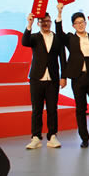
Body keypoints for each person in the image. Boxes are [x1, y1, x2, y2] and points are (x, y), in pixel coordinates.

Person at [55, 3, 89, 148]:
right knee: (80, 108)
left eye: (82, 22)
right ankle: (84, 138)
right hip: (77, 77)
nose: (80, 25)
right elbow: (59, 33)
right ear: (73, 25)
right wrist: (59, 13)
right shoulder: (70, 38)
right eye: (77, 23)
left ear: (85, 23)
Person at [22, 12, 67, 149]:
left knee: (52, 109)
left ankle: (52, 136)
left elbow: (63, 58)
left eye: (48, 21)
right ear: (38, 23)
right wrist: (29, 24)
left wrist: (63, 77)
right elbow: (24, 42)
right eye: (42, 22)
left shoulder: (58, 38)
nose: (45, 24)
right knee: (37, 109)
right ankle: (36, 137)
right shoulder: (34, 37)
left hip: (53, 78)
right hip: (37, 78)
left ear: (51, 22)